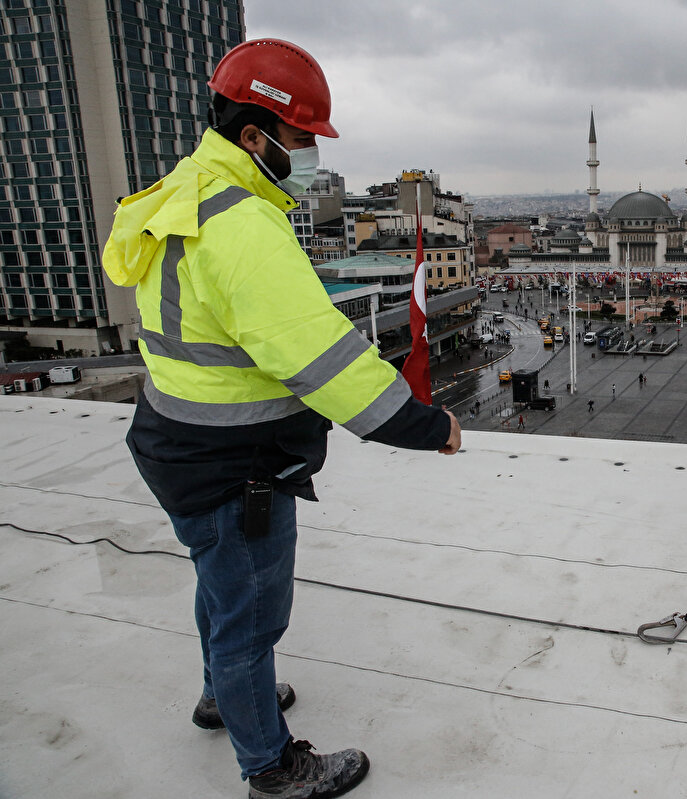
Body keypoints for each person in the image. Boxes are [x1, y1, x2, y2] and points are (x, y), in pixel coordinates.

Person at [101, 39, 461, 799]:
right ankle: (271, 764)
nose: (305, 153)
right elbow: (321, 357)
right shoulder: (243, 228)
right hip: (236, 461)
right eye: (299, 138)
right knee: (253, 618)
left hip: (174, 441)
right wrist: (426, 425)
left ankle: (219, 696)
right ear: (254, 136)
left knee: (219, 589)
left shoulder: (185, 189)